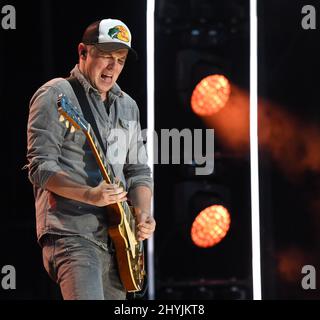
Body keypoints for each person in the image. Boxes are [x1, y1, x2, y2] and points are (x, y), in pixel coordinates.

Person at [26, 18, 155, 300]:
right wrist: (90, 194)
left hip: (118, 240)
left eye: (119, 60)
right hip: (73, 233)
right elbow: (40, 168)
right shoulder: (56, 94)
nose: (112, 67)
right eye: (106, 57)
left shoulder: (127, 105)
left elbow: (138, 171)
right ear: (83, 52)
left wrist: (143, 213)